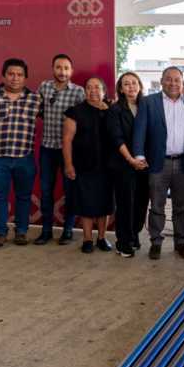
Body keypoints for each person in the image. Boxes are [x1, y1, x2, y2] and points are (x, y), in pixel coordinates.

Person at [133, 66, 184, 260]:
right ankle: (156, 242)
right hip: (158, 163)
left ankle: (180, 241)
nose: (173, 83)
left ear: (182, 82)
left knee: (181, 206)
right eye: (168, 79)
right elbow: (139, 130)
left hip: (183, 163)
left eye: (177, 80)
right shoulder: (148, 102)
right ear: (161, 81)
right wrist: (139, 155)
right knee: (157, 205)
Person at [0, 59, 40, 248]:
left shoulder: (35, 99)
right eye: (11, 74)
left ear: (25, 78)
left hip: (25, 158)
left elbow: (57, 117)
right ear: (3, 75)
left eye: (19, 75)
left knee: (24, 196)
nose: (15, 78)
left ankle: (21, 231)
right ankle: (0, 232)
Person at [34, 54, 85, 246]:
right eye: (58, 67)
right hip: (47, 148)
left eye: (66, 68)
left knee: (70, 191)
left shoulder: (78, 92)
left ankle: (68, 230)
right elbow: (36, 110)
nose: (62, 72)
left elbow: (86, 117)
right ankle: (46, 231)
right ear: (53, 69)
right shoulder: (44, 87)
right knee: (46, 191)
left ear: (71, 71)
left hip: (69, 151)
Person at [63, 77, 114, 253]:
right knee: (86, 203)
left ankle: (102, 238)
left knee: (105, 203)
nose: (93, 91)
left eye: (97, 87)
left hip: (107, 166)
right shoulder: (75, 112)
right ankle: (87, 239)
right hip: (83, 165)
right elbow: (67, 140)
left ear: (104, 91)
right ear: (85, 91)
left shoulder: (112, 110)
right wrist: (68, 164)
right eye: (89, 87)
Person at [106, 72, 149, 257]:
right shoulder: (115, 110)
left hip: (144, 164)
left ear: (139, 85)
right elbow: (116, 138)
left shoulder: (146, 106)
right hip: (123, 164)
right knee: (125, 204)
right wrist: (131, 159)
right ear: (121, 89)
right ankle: (123, 242)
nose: (131, 87)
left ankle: (134, 234)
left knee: (141, 203)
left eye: (134, 83)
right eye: (126, 84)